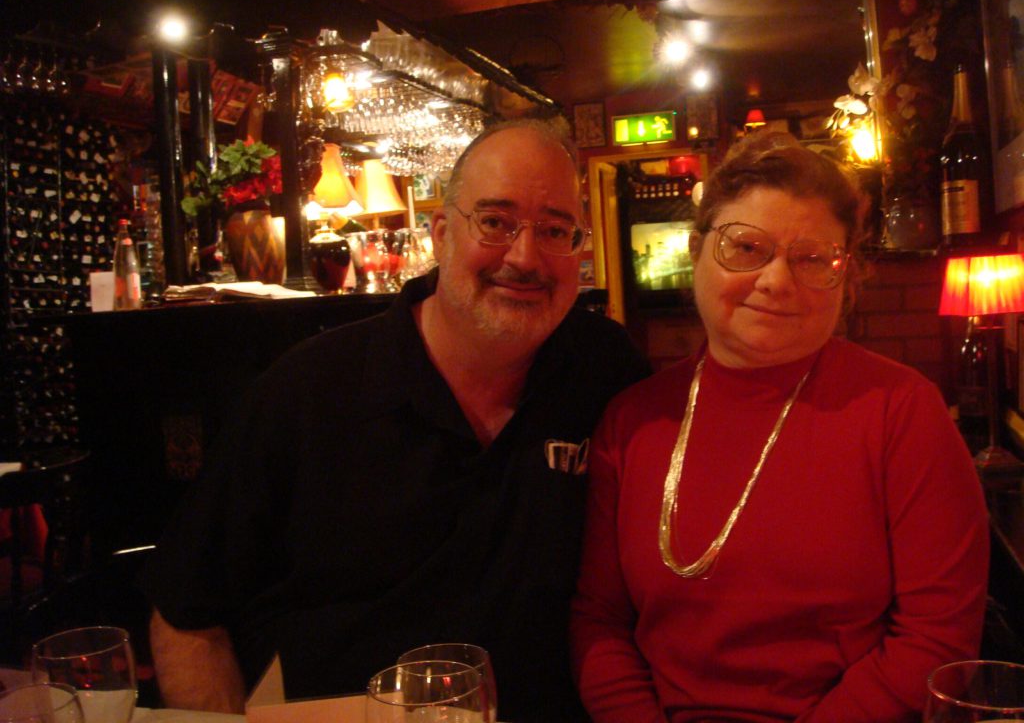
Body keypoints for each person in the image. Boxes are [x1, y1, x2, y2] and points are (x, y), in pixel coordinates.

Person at [140, 119, 650, 722]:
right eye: (494, 222)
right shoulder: (308, 390)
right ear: (440, 233)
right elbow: (186, 613)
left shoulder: (607, 373)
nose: (524, 256)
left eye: (555, 230)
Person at [570, 130, 989, 722]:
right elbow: (599, 622)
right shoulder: (633, 419)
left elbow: (936, 638)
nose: (775, 280)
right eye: (746, 248)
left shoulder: (902, 410)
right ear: (695, 252)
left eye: (812, 258)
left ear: (846, 279)